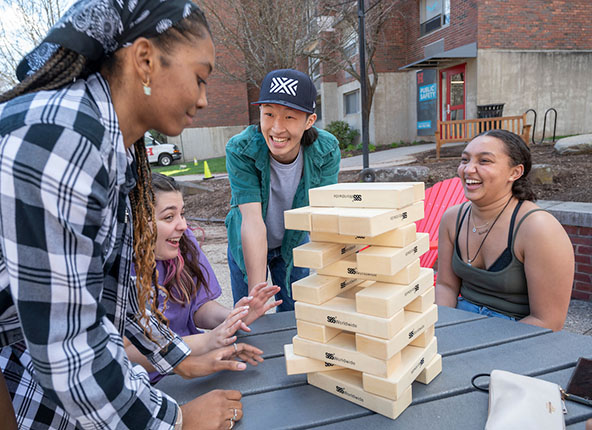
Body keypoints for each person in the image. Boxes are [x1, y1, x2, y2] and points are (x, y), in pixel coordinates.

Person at [0, 1, 261, 429]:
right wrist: (176, 420)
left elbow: (115, 297)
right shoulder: (64, 137)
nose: (203, 98)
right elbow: (69, 350)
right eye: (199, 78)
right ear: (144, 60)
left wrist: (180, 360)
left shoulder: (114, 148)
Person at [125, 173, 281, 383]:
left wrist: (233, 318)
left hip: (198, 363)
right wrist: (206, 342)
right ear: (137, 222)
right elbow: (125, 351)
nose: (182, 225)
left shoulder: (183, 242)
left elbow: (198, 307)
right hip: (149, 382)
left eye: (182, 214)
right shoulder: (117, 271)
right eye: (169, 217)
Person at [226, 69, 341, 312]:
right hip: (247, 238)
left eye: (289, 117)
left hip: (293, 241)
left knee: (296, 314)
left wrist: (336, 281)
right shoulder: (241, 149)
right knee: (248, 319)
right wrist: (257, 296)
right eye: (268, 114)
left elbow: (324, 215)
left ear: (309, 121)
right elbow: (252, 221)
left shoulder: (327, 150)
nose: (277, 128)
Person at [435, 129, 574, 331]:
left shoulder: (538, 229)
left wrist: (477, 344)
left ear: (515, 172)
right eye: (465, 160)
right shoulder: (452, 219)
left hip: (517, 332)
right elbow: (446, 286)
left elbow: (548, 321)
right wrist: (443, 328)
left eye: (484, 161)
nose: (468, 170)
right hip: (458, 319)